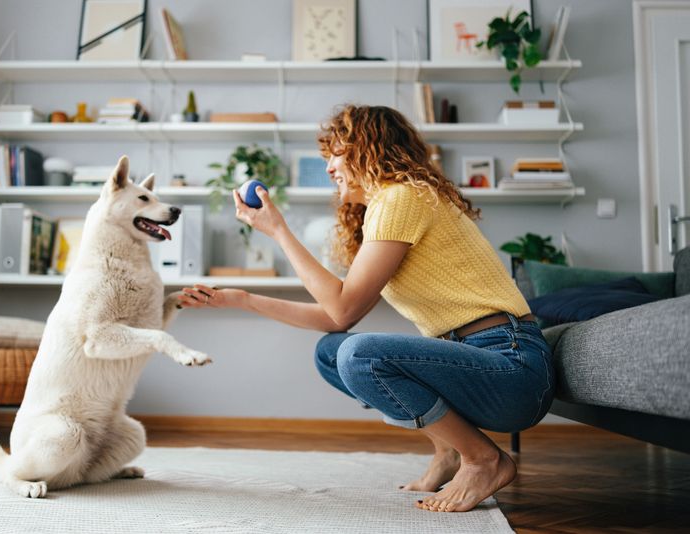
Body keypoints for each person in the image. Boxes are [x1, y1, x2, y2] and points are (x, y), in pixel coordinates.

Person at [178, 104, 554, 513]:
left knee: (359, 355)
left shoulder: (401, 197)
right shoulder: (387, 209)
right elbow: (333, 319)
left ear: (370, 150)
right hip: (476, 363)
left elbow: (341, 310)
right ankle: (449, 448)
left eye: (337, 153)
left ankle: (484, 459)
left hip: (511, 367)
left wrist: (279, 231)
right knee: (331, 353)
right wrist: (243, 300)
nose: (329, 168)